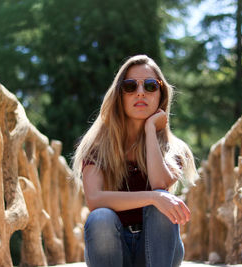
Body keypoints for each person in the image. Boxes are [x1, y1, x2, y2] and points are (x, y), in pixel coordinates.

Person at [72, 55, 198, 267]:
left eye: (150, 86)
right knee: (100, 217)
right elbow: (94, 199)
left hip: (159, 248)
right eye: (130, 86)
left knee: (161, 206)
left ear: (161, 94)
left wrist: (150, 130)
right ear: (119, 95)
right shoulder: (98, 145)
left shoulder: (173, 147)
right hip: (112, 246)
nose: (140, 92)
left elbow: (160, 185)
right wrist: (153, 197)